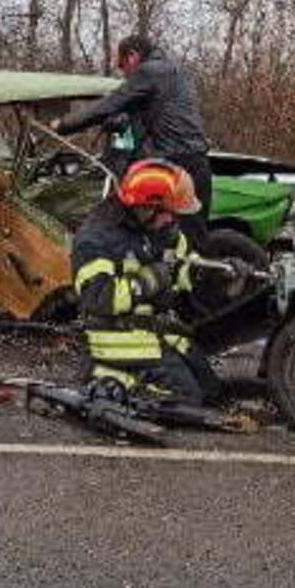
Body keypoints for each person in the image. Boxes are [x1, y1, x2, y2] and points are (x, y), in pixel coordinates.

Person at [69, 158, 223, 407]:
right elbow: (99, 299)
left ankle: (130, 375)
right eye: (169, 212)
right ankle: (109, 378)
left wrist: (217, 274)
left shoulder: (157, 229)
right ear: (148, 206)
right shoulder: (95, 240)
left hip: (153, 331)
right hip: (118, 337)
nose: (173, 220)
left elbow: (183, 266)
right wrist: (152, 278)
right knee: (186, 400)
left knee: (212, 391)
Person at [54, 35, 212, 229]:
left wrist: (63, 124)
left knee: (148, 232)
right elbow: (152, 115)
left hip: (172, 166)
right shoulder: (176, 73)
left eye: (122, 66)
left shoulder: (149, 71)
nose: (124, 74)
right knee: (194, 238)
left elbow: (109, 104)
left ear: (132, 56)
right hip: (198, 162)